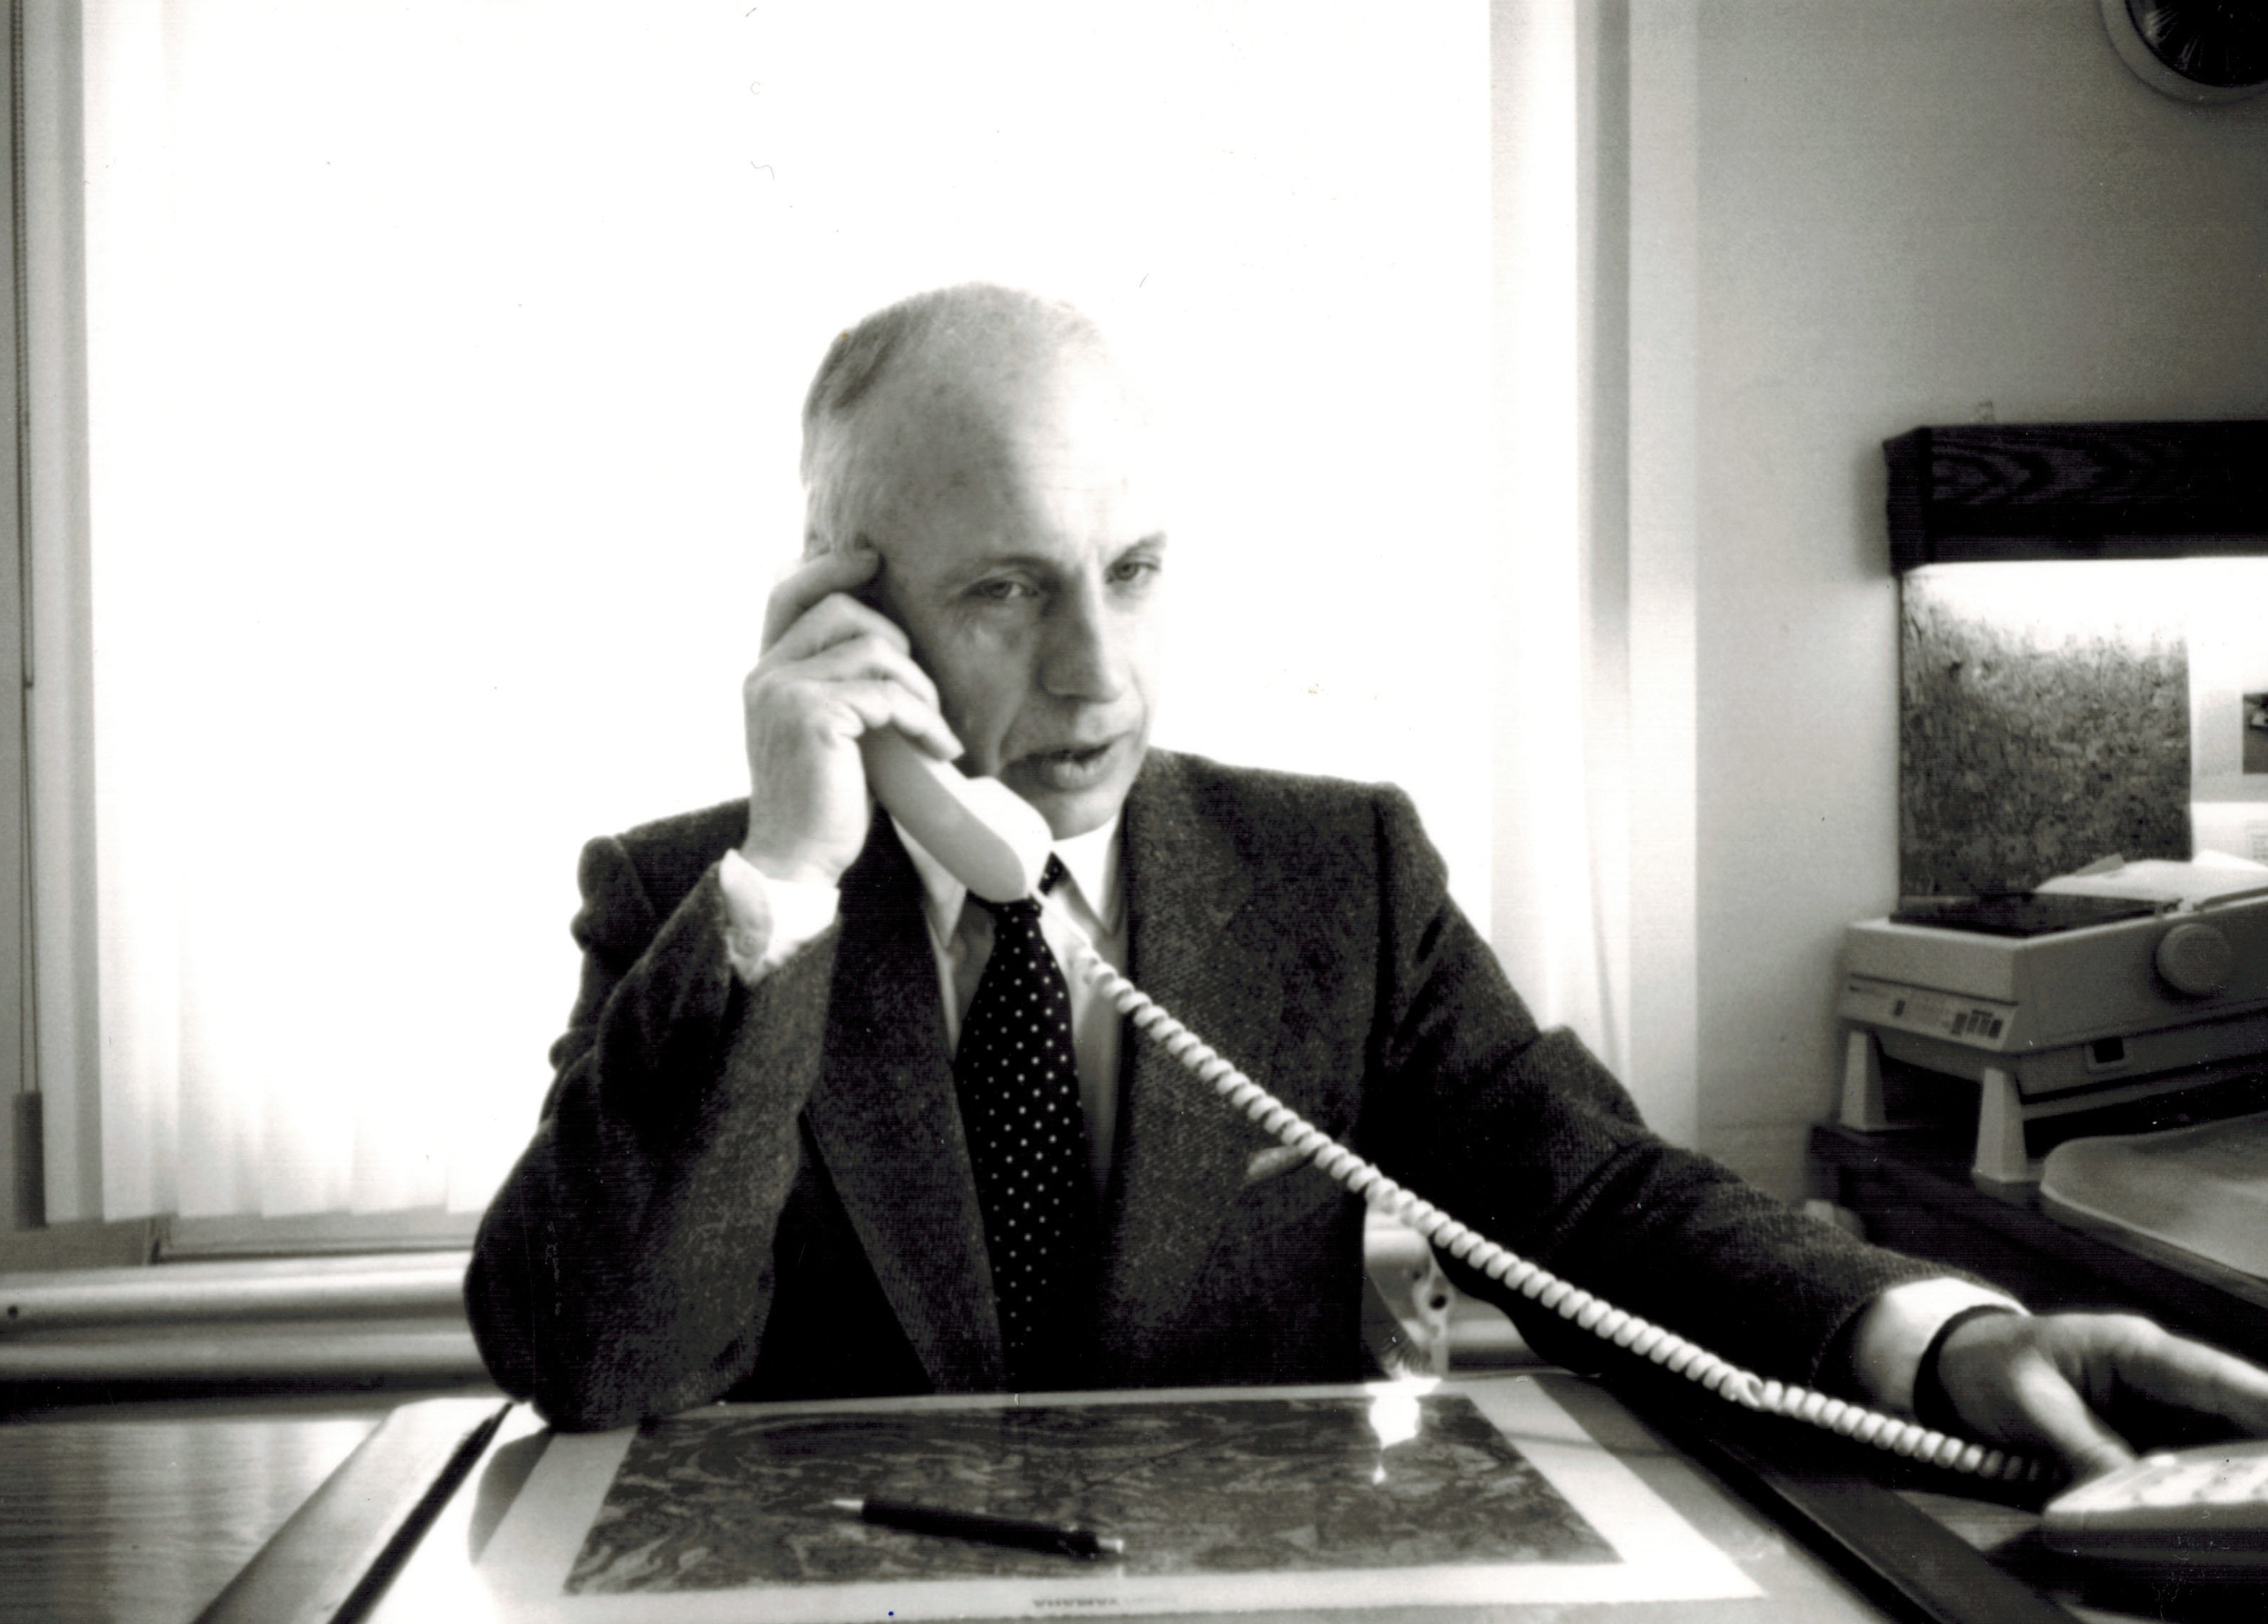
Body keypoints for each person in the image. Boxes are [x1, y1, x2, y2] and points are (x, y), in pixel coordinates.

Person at [465, 284, 2268, 1481]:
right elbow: (601, 1362)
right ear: (845, 609)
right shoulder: (693, 902)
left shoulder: (1334, 874)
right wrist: (790, 872)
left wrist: (1939, 1340)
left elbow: (1601, 1206)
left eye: (1134, 569)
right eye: (1008, 592)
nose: (1101, 677)